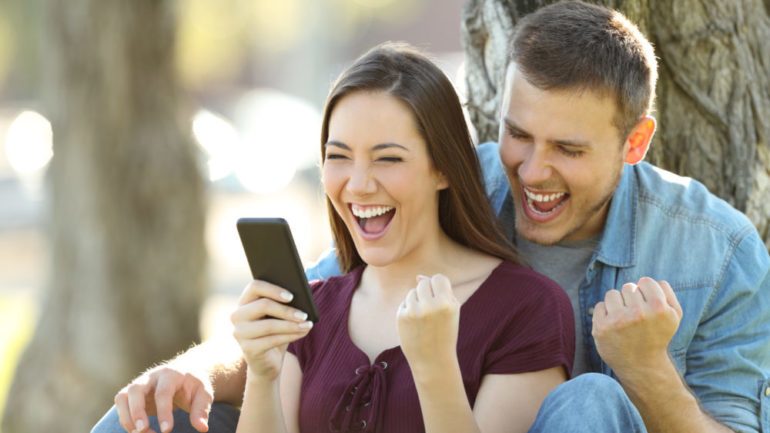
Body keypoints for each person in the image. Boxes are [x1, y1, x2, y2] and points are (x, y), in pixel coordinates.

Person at [93, 2, 770, 433]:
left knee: (590, 400)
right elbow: (312, 311)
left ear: (634, 143)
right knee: (145, 415)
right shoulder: (450, 177)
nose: (532, 171)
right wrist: (204, 371)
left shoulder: (717, 252)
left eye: (567, 148)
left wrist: (646, 367)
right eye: (518, 135)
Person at [95, 42, 574, 433]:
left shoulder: (526, 309)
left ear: (443, 168)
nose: (359, 183)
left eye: (388, 158)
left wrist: (435, 370)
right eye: (339, 156)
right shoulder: (314, 309)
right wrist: (262, 373)